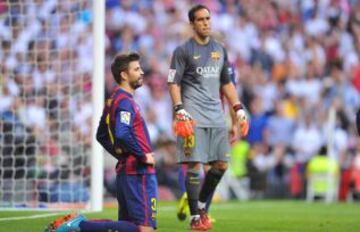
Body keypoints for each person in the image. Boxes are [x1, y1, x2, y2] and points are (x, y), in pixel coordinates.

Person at [44, 52, 157, 232]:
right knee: (144, 229)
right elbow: (121, 133)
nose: (142, 72)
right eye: (136, 69)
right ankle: (80, 225)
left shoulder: (113, 99)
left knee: (127, 226)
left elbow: (101, 135)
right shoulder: (125, 102)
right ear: (124, 75)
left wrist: (121, 154)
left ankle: (77, 223)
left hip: (127, 170)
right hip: (138, 173)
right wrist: (141, 155)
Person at [168, 4, 249, 230]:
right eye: (201, 20)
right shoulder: (182, 51)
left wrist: (238, 109)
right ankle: (196, 218)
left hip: (216, 117)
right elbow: (173, 83)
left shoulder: (220, 51)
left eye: (208, 19)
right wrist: (179, 109)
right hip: (193, 117)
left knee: (221, 166)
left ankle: (200, 205)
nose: (206, 23)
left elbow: (227, 84)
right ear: (192, 24)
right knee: (195, 166)